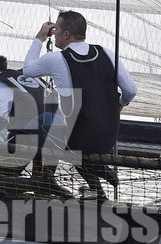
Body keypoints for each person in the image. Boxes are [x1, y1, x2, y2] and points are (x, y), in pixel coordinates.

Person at [19, 10, 138, 199]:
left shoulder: (56, 59)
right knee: (73, 131)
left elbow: (27, 70)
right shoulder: (106, 52)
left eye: (56, 30)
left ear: (66, 34)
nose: (54, 34)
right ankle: (98, 184)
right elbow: (131, 90)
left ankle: (44, 185)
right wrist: (119, 106)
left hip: (78, 140)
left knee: (46, 126)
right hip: (108, 137)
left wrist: (39, 39)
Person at [0, 51, 67, 198]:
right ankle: (44, 186)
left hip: (27, 133)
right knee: (42, 192)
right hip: (58, 135)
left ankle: (36, 183)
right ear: (4, 68)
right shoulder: (29, 78)